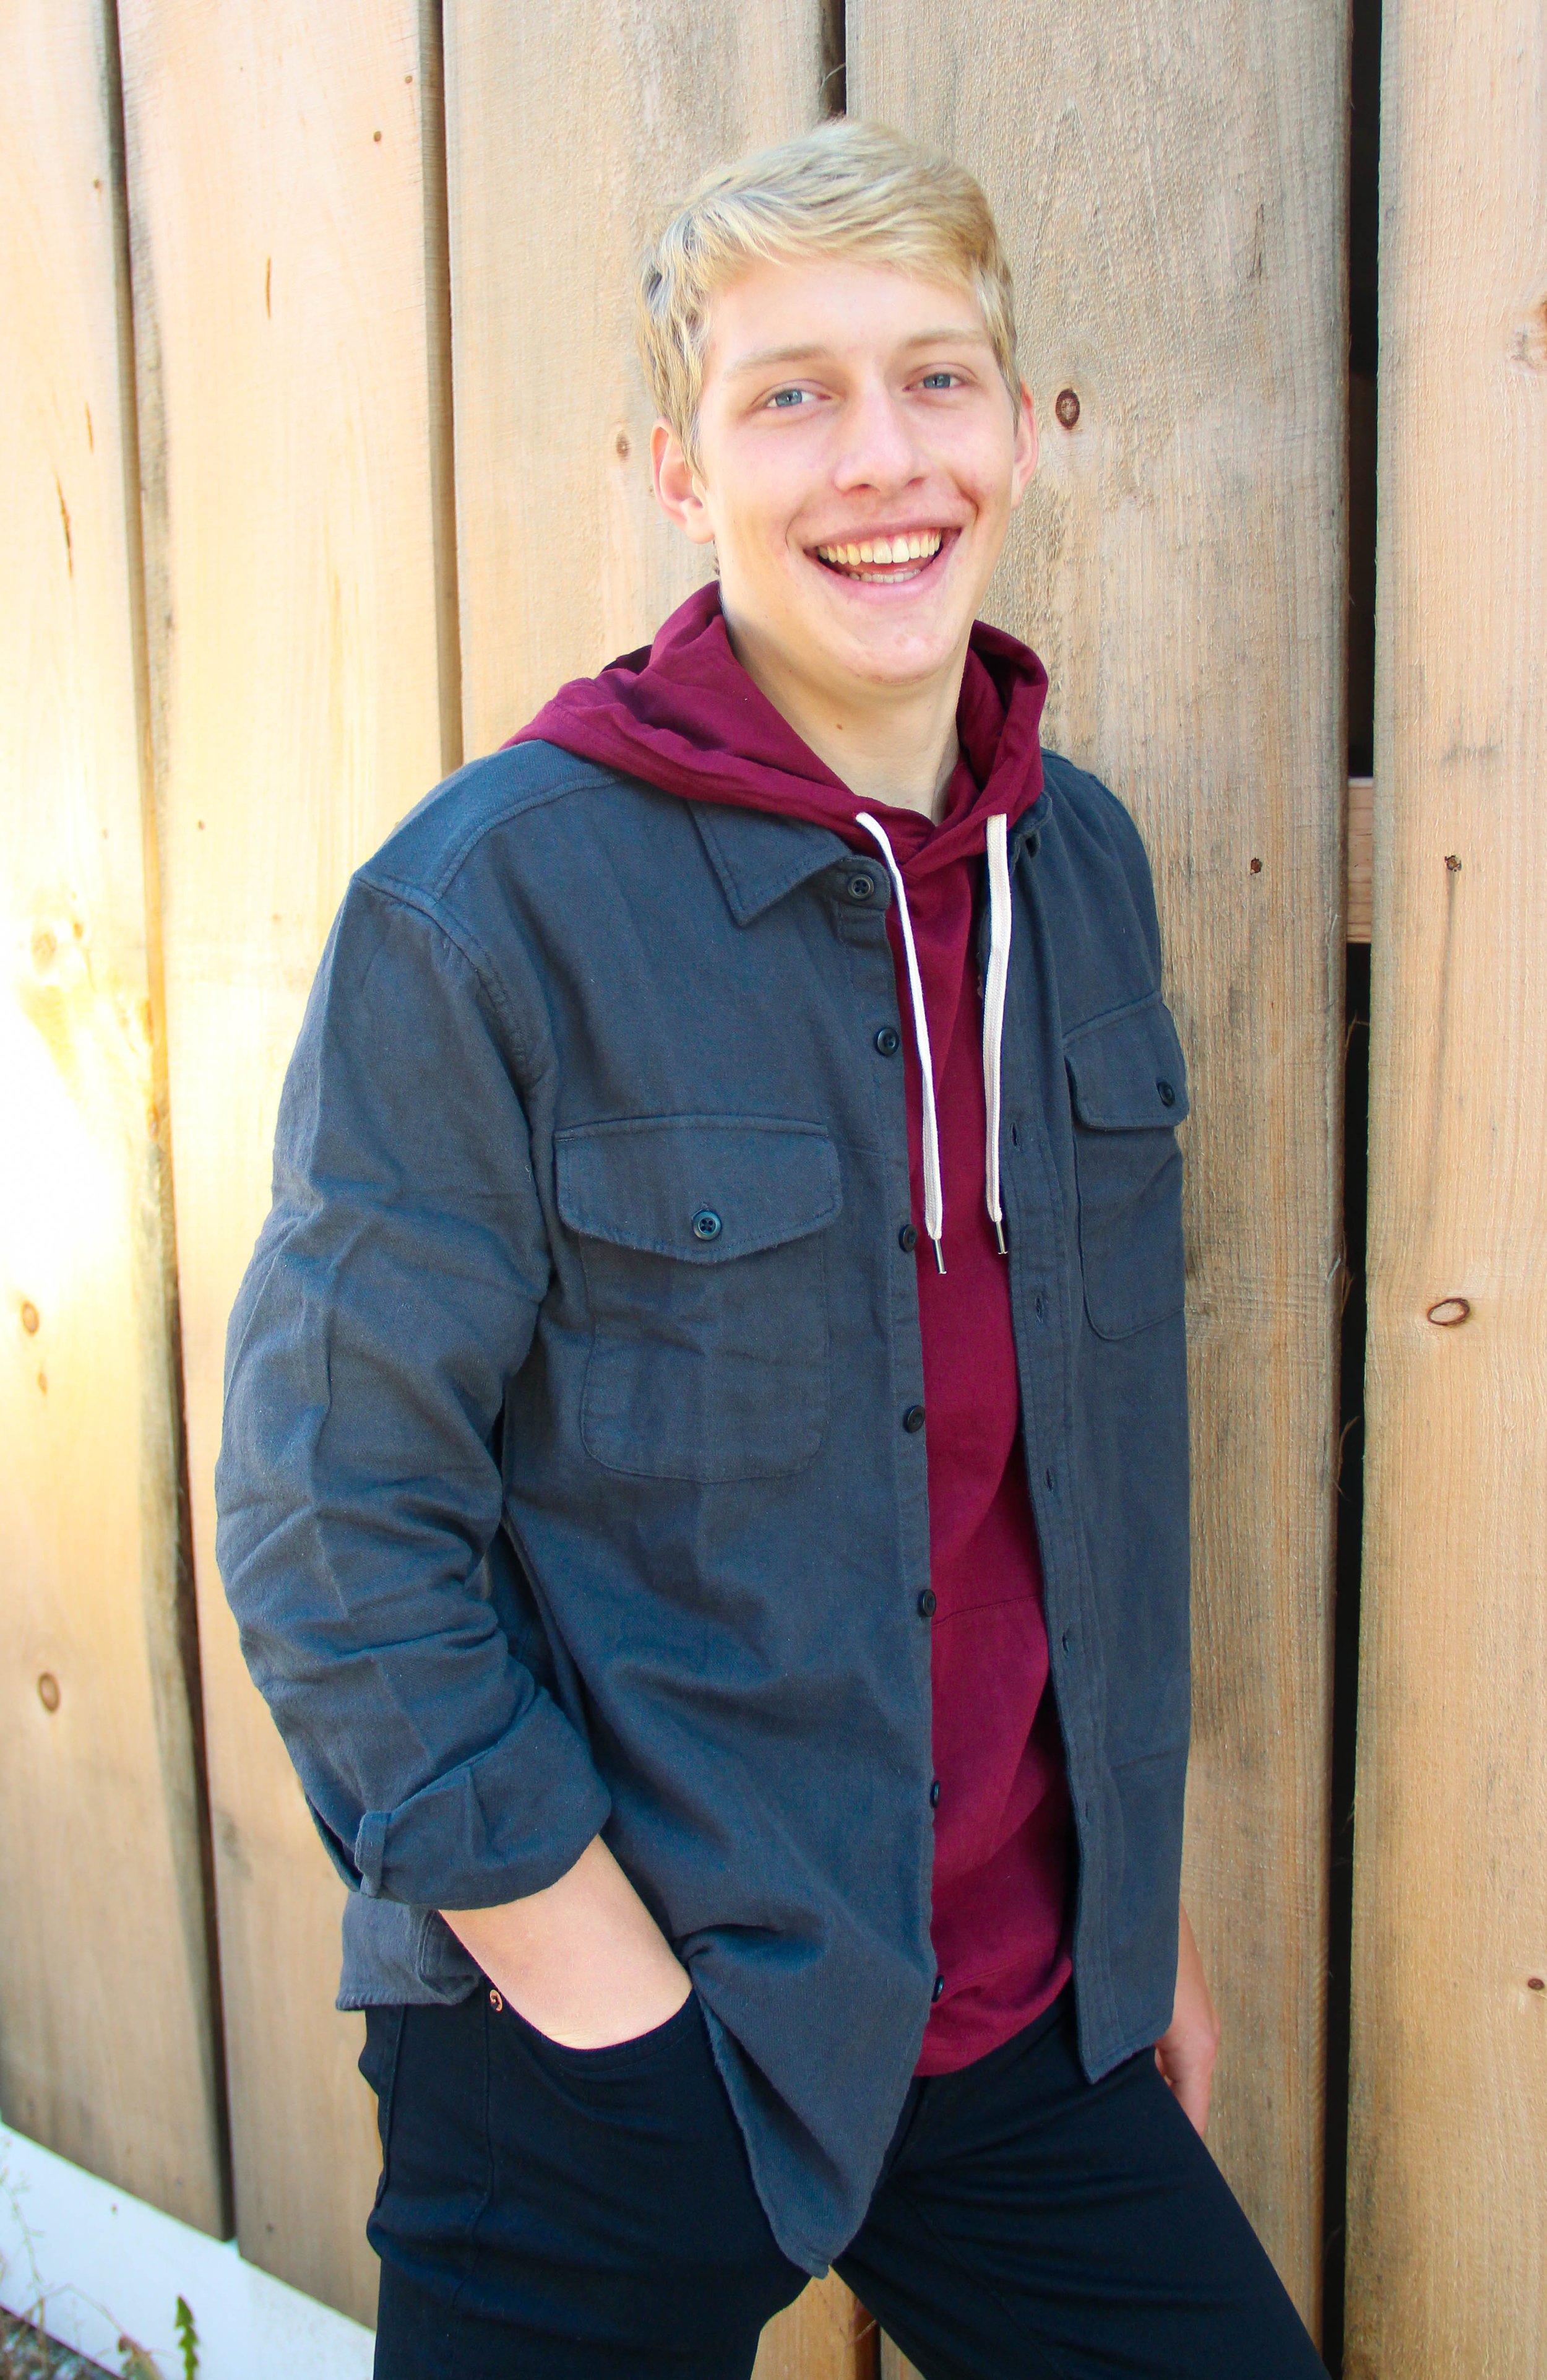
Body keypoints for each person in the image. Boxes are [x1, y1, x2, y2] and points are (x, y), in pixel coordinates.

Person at [216, 118, 1327, 2380]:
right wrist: (593, 2000)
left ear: (1017, 428)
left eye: (935, 379)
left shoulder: (1076, 871)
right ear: (673, 465)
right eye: (788, 393)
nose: (878, 458)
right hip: (611, 2044)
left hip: (1019, 2012)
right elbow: (334, 1517)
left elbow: (1080, 1476)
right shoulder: (492, 902)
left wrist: (1136, 1927)